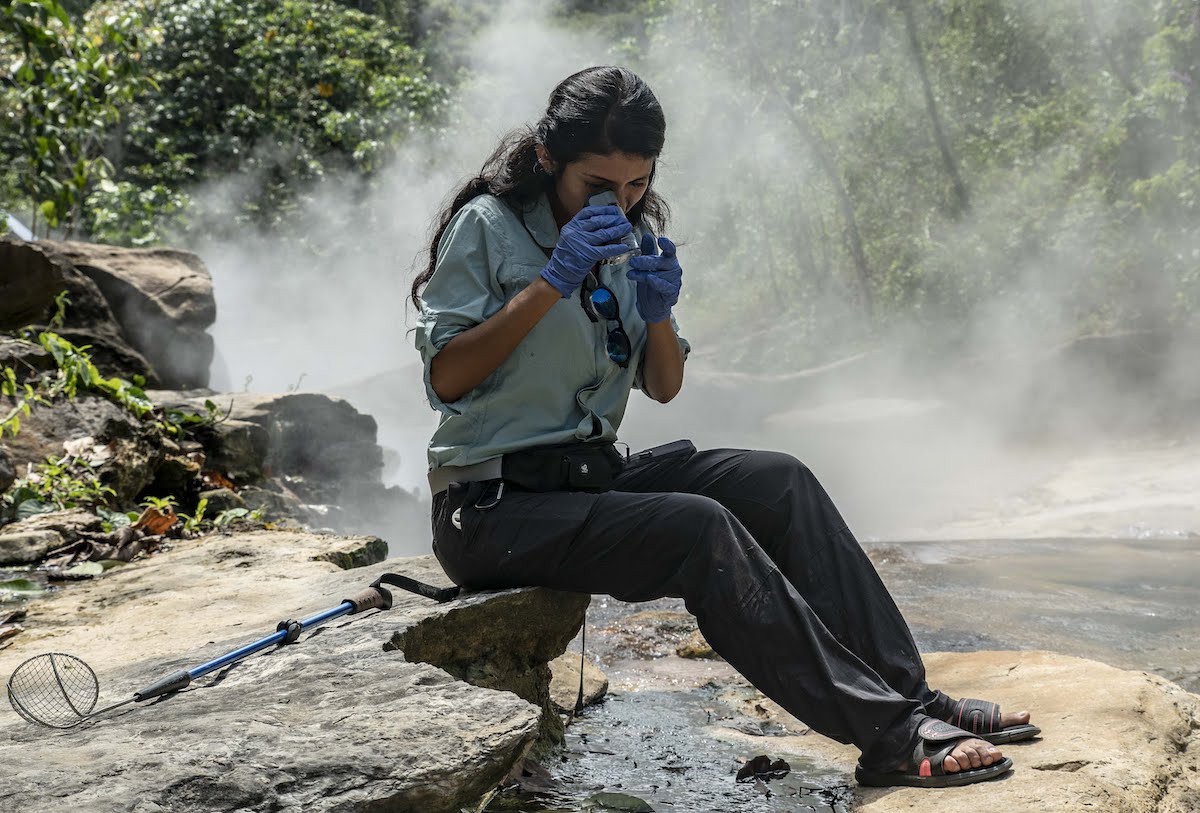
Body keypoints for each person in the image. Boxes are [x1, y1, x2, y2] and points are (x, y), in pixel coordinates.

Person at [410, 65, 1038, 788]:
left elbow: (664, 384)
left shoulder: (629, 230)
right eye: (599, 185)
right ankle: (890, 736)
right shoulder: (486, 225)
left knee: (779, 481)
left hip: (587, 478)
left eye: (638, 183)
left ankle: (910, 695)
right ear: (550, 158)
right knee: (699, 527)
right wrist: (552, 278)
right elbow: (446, 377)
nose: (621, 201)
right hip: (490, 508)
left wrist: (656, 311)